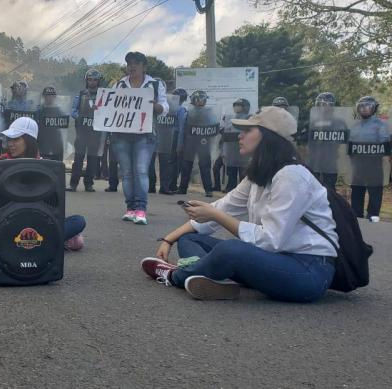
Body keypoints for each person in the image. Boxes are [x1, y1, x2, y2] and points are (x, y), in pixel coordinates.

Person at [140, 107, 337, 302]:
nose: (239, 136)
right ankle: (206, 278)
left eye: (248, 130)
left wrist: (215, 216)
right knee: (189, 239)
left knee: (232, 250)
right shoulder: (259, 175)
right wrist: (169, 239)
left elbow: (270, 240)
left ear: (269, 137)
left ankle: (174, 276)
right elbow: (221, 207)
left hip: (308, 271)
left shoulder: (291, 176)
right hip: (271, 261)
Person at [0, 117, 86, 250]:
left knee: (78, 221)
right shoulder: (0, 163)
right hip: (11, 222)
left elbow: (54, 206)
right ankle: (50, 242)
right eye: (9, 139)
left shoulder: (47, 167)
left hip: (39, 222)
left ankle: (38, 242)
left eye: (16, 139)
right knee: (75, 240)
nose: (10, 144)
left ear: (29, 140)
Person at [110, 52, 169, 225]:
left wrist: (156, 106)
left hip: (145, 135)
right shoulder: (119, 84)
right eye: (129, 63)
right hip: (121, 135)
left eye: (136, 63)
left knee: (141, 170)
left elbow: (165, 107)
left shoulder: (155, 85)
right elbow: (109, 106)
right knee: (127, 173)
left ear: (144, 66)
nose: (132, 66)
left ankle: (141, 209)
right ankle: (130, 208)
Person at [348, 96, 390, 220]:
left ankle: (373, 216)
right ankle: (357, 217)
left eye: (367, 106)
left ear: (374, 108)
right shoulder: (355, 126)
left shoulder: (380, 125)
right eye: (361, 106)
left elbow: (385, 143)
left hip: (374, 164)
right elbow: (350, 146)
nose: (364, 109)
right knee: (356, 190)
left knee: (375, 191)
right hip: (358, 164)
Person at [68, 69, 106, 193]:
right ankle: (73, 184)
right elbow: (73, 110)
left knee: (93, 160)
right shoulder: (81, 94)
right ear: (86, 80)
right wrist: (79, 117)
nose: (92, 82)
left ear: (99, 81)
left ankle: (89, 184)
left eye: (95, 80)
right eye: (90, 79)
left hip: (95, 133)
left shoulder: (104, 96)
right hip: (82, 133)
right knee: (78, 159)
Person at [178, 90, 216, 197]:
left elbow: (214, 128)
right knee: (187, 166)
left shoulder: (208, 113)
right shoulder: (188, 112)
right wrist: (180, 145)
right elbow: (182, 130)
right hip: (192, 142)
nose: (200, 101)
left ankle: (208, 189)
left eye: (202, 99)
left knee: (204, 166)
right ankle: (183, 188)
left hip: (202, 143)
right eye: (198, 99)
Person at [220, 98, 251, 192]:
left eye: (239, 105)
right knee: (231, 171)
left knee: (243, 171)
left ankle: (243, 190)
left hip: (243, 148)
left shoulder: (249, 118)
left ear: (245, 107)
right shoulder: (230, 118)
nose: (236, 107)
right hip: (231, 149)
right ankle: (231, 187)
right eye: (235, 105)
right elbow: (224, 131)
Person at [168, 88, 188, 193]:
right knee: (172, 162)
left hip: (176, 136)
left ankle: (172, 184)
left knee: (175, 162)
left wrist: (179, 144)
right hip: (170, 136)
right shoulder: (171, 108)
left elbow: (181, 128)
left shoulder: (181, 110)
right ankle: (171, 184)